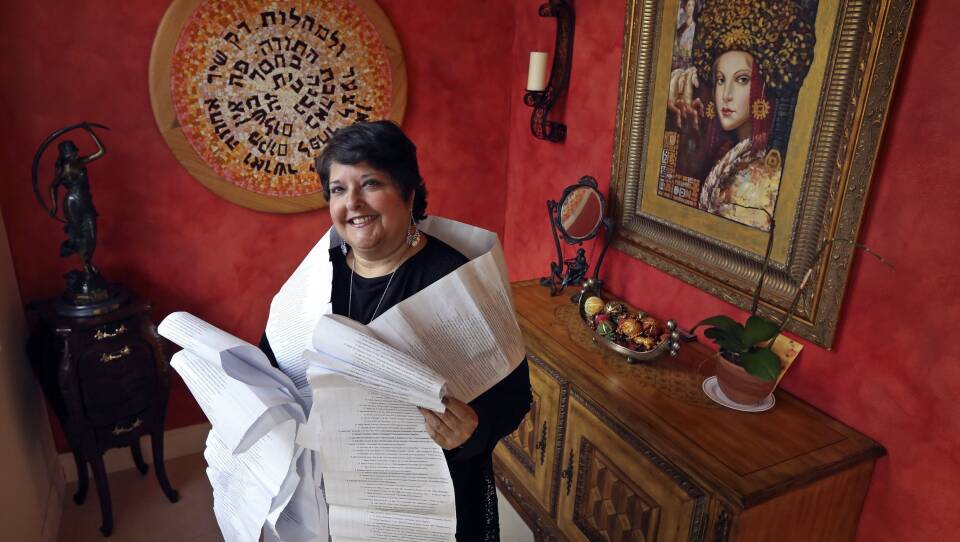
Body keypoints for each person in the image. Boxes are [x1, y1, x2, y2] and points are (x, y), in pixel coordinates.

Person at [260, 120, 532, 541]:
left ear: (408, 193)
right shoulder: (317, 277)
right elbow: (275, 362)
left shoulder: (457, 279)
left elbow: (515, 397)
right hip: (338, 492)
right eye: (338, 189)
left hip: (432, 497)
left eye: (370, 184)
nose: (352, 203)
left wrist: (471, 429)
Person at [671, 0, 816, 230]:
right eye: (721, 80)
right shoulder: (726, 154)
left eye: (741, 80)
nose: (726, 95)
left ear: (763, 86)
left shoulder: (767, 175)